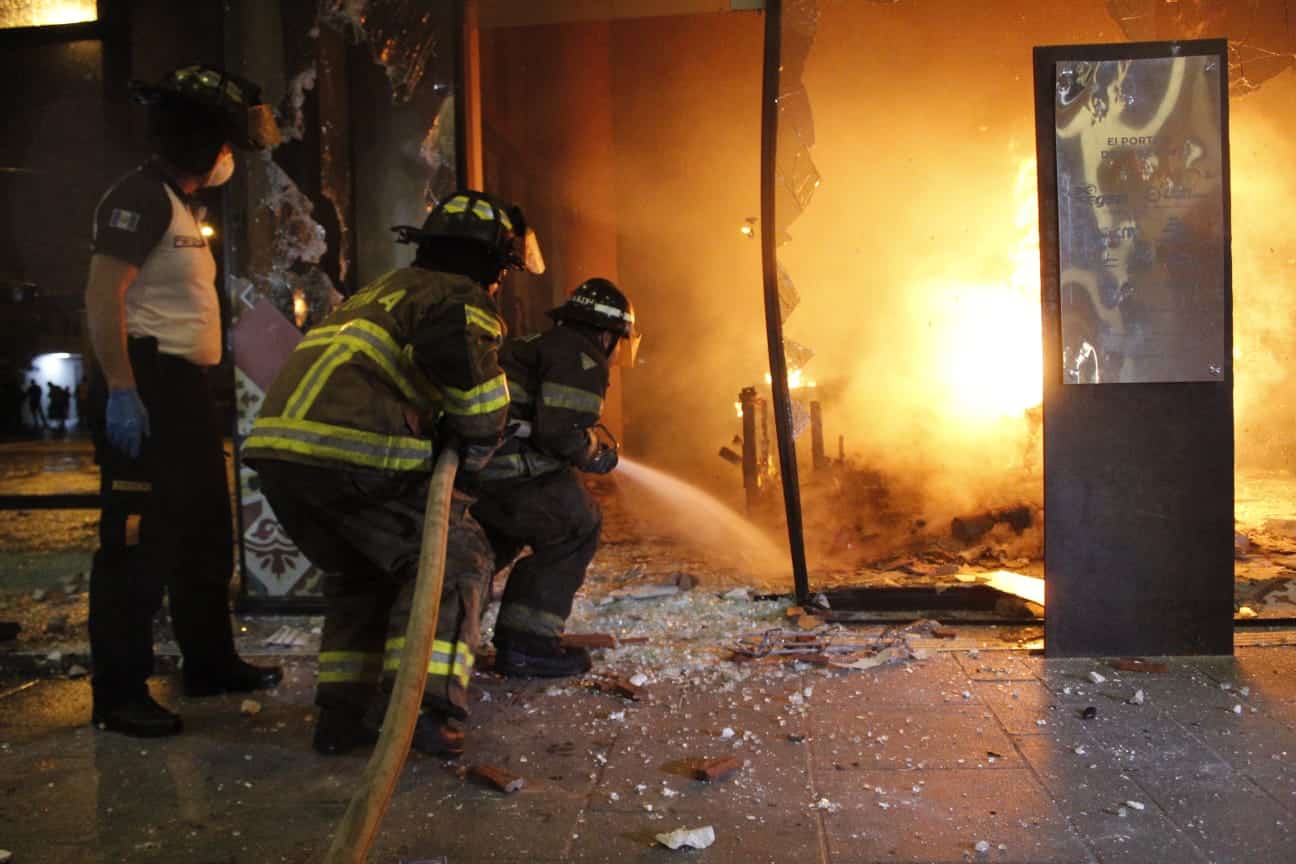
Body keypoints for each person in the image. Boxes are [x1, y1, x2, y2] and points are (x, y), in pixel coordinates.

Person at [243, 189, 544, 757]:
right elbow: (475, 393)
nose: (500, 283)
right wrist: (477, 450)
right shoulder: (459, 296)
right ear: (489, 263)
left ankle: (343, 716)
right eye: (502, 270)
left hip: (283, 455)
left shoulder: (383, 290)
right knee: (457, 557)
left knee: (362, 573)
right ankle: (424, 710)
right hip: (353, 453)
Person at [84, 65, 283, 737]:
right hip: (147, 384)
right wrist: (121, 388)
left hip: (184, 391)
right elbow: (102, 297)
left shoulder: (179, 206)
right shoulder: (139, 198)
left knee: (203, 535)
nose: (229, 157)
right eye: (224, 143)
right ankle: (118, 693)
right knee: (138, 546)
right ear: (200, 141)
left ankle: (210, 663)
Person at [471, 278, 639, 677]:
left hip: (477, 471)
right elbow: (561, 433)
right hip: (512, 472)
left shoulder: (539, 344)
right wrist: (594, 455)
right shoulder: (582, 355)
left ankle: (447, 635)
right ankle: (528, 645)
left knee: (486, 549)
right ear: (606, 334)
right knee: (576, 526)